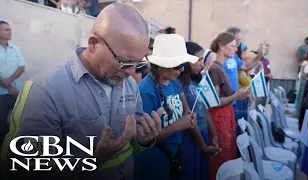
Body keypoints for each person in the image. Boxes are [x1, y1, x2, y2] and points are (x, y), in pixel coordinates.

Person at [1, 3, 162, 180]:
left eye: (138, 63)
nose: (132, 73)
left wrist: (143, 139)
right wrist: (92, 160)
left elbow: (132, 142)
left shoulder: (129, 84)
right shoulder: (44, 92)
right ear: (93, 44)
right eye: (125, 62)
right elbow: (25, 168)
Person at [134, 34, 197, 180]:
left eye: (183, 65)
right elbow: (145, 137)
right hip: (153, 161)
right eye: (178, 65)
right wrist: (179, 125)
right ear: (163, 65)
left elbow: (180, 112)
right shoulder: (146, 90)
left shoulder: (173, 82)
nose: (182, 69)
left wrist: (186, 116)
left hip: (172, 155)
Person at [207, 32, 249, 180]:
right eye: (232, 46)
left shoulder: (219, 67)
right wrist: (234, 96)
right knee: (222, 156)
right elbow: (214, 101)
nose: (235, 49)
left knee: (227, 154)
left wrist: (236, 93)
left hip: (225, 116)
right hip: (219, 118)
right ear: (222, 47)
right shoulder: (215, 69)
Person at [177, 41, 220, 180]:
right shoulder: (179, 84)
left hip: (203, 133)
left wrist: (213, 134)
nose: (202, 64)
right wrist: (203, 146)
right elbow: (187, 115)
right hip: (190, 137)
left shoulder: (199, 81)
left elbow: (205, 110)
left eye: (203, 59)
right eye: (199, 59)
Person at [224, 27, 263, 131]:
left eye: (239, 41)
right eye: (237, 40)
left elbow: (247, 66)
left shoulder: (234, 57)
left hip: (234, 100)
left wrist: (260, 54)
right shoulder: (221, 58)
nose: (238, 44)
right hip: (226, 101)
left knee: (238, 128)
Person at [0, 21, 26, 147]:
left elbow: (21, 67)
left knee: (20, 120)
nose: (9, 32)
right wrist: (7, 85)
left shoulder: (16, 49)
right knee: (1, 124)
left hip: (15, 92)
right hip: (1, 94)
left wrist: (9, 82)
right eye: (6, 30)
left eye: (10, 29)